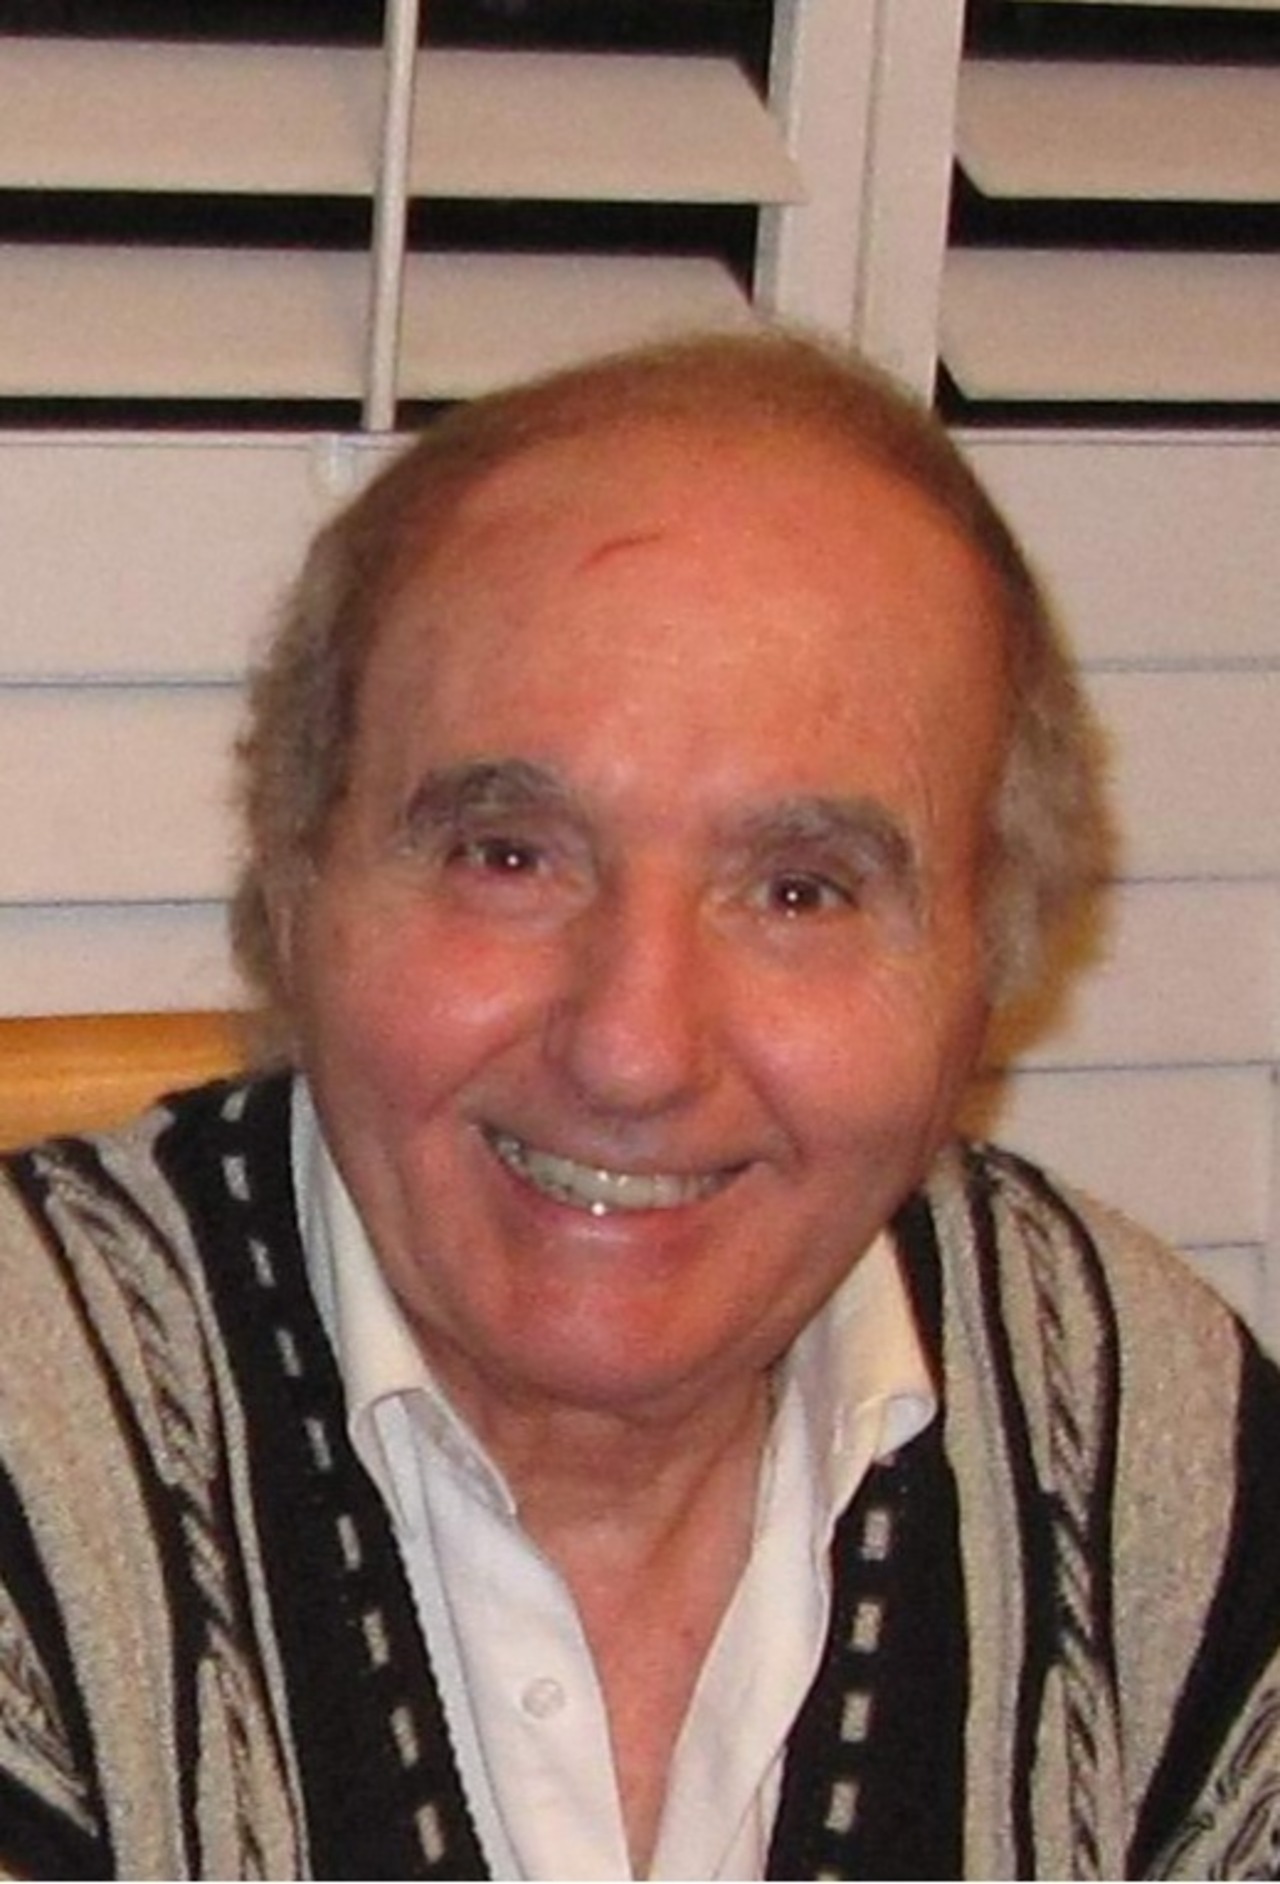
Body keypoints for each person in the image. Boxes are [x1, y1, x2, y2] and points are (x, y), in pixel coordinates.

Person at [2, 329, 1279, 1883]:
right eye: (509, 857)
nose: (632, 1050)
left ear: (986, 966)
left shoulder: (1141, 1440)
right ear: (292, 880)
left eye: (801, 891)